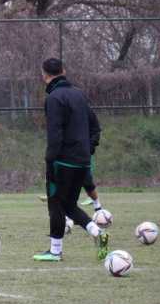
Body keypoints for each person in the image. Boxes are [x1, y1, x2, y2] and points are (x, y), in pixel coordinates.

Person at [33, 58, 108, 262]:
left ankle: (55, 252)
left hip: (62, 162)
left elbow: (55, 134)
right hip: (82, 161)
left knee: (55, 204)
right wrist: (87, 149)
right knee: (68, 205)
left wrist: (50, 161)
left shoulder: (54, 98)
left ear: (44, 75)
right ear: (64, 71)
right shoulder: (79, 94)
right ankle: (98, 233)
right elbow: (95, 127)